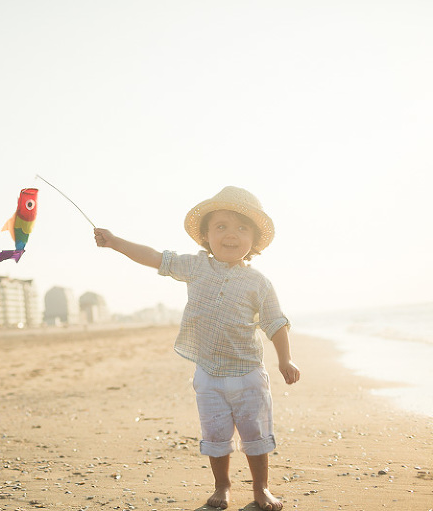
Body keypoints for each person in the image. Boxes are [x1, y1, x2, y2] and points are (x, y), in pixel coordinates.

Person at [94, 186, 300, 511]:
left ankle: (261, 489)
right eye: (221, 227)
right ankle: (223, 486)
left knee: (255, 435)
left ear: (254, 240)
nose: (231, 235)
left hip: (248, 375)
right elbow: (155, 257)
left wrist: (285, 359)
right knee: (215, 437)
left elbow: (276, 322)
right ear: (206, 235)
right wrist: (115, 242)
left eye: (241, 228)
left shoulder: (259, 283)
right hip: (209, 375)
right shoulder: (195, 267)